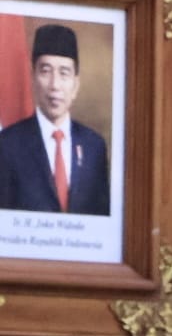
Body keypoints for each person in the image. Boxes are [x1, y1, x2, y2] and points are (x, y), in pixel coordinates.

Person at [0, 23, 110, 215]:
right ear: (33, 78)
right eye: (45, 71)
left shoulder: (94, 146)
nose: (55, 85)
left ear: (76, 84)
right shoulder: (7, 145)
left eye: (64, 73)